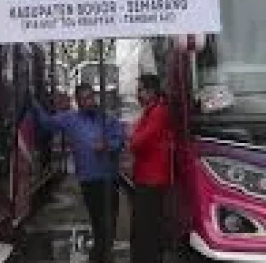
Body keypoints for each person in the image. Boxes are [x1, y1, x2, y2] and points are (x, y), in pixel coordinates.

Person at [33, 83, 126, 263]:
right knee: (97, 220)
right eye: (84, 99)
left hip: (109, 178)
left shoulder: (107, 119)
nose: (88, 102)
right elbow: (46, 123)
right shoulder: (70, 119)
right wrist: (33, 103)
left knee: (110, 220)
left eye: (90, 97)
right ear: (78, 101)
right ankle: (100, 254)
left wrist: (107, 145)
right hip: (89, 179)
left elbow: (120, 141)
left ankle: (104, 252)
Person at [129, 74, 173, 263]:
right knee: (145, 224)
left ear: (152, 91)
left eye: (141, 90)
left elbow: (137, 143)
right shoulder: (151, 111)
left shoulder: (158, 112)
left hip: (152, 179)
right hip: (146, 177)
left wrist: (132, 136)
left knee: (147, 226)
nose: (138, 94)